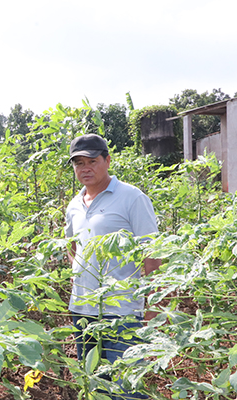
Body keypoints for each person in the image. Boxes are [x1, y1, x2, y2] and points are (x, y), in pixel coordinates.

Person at [65, 134, 160, 399]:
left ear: (107, 160)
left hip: (122, 310)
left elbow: (151, 254)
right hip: (82, 310)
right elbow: (71, 246)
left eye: (92, 161)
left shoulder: (132, 198)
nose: (85, 168)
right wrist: (78, 276)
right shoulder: (74, 205)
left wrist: (153, 307)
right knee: (94, 383)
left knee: (127, 385)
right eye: (78, 163)